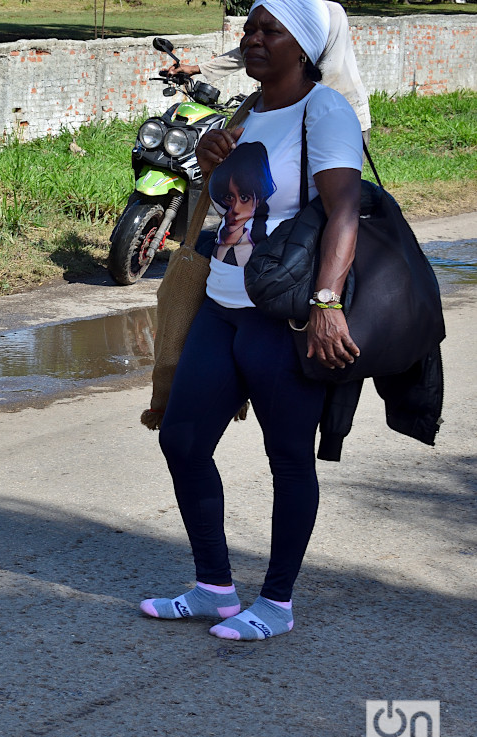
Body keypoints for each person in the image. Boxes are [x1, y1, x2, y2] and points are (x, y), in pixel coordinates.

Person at [140, 0, 362, 640]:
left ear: (305, 46)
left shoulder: (325, 112)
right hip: (223, 301)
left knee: (288, 456)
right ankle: (215, 587)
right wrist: (213, 162)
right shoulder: (246, 109)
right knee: (181, 439)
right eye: (251, 28)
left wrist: (326, 302)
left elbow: (343, 212)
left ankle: (278, 602)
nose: (254, 39)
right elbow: (231, 206)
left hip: (283, 315)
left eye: (272, 31)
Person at [163, 0, 371, 139]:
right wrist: (197, 68)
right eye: (248, 31)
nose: (254, 40)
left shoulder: (329, 13)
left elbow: (330, 69)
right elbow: (247, 50)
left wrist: (283, 106)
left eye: (272, 31)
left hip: (341, 116)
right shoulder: (277, 5)